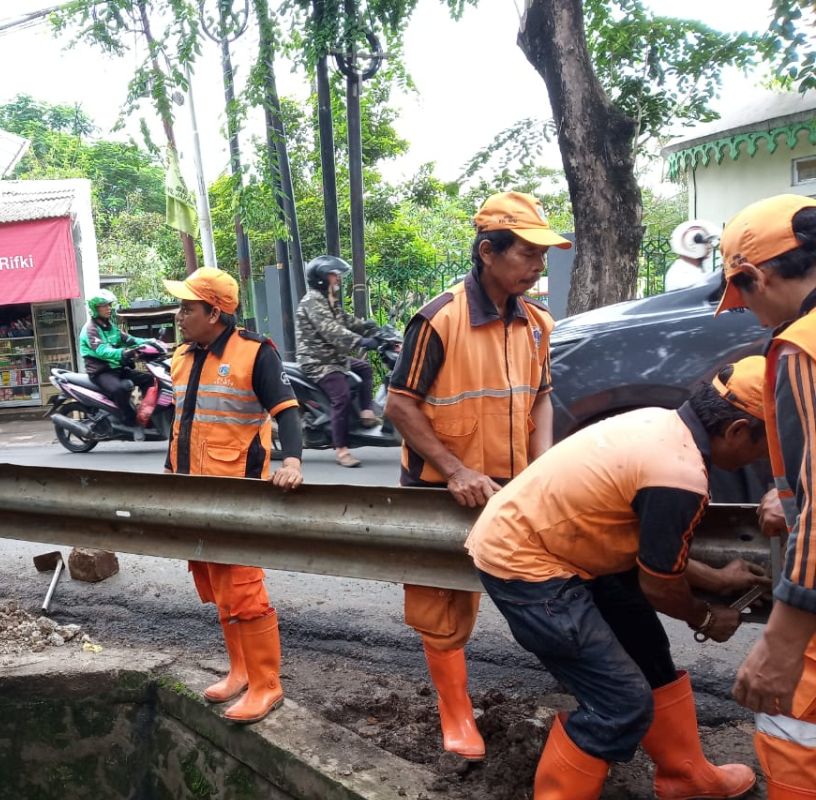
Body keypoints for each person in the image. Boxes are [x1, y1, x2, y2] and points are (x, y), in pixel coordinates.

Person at [465, 356, 770, 800]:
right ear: (738, 429)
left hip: (573, 552)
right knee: (621, 705)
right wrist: (705, 618)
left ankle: (684, 775)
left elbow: (653, 558)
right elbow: (660, 585)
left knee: (647, 648)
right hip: (527, 566)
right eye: (764, 444)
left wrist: (716, 579)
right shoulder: (679, 474)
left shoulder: (660, 423)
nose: (763, 458)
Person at [383, 191, 567, 760]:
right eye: (529, 254)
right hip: (442, 490)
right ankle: (456, 715)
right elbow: (399, 404)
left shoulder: (538, 322)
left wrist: (544, 470)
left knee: (549, 594)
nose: (539, 266)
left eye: (543, 254)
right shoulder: (439, 319)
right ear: (488, 251)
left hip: (512, 490)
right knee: (442, 610)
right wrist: (456, 469)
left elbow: (541, 399)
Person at [163, 267, 304, 724]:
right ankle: (240, 671)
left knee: (245, 591)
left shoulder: (255, 353)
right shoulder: (182, 357)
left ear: (215, 311)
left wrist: (293, 461)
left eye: (188, 307)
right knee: (217, 587)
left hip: (236, 496)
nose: (180, 314)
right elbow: (182, 428)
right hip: (191, 493)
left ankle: (267, 685)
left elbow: (288, 413)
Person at [714, 193, 816, 799]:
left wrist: (781, 642)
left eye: (744, 294)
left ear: (755, 274)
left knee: (793, 729)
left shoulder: (802, 347)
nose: (751, 314)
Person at [295, 255, 384, 468]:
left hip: (334, 358)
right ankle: (342, 450)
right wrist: (361, 341)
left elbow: (343, 319)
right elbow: (330, 330)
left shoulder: (327, 299)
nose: (338, 279)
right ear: (322, 278)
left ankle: (366, 413)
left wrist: (367, 326)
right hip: (317, 361)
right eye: (334, 275)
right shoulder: (312, 301)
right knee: (341, 396)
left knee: (364, 368)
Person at [79, 289, 155, 436]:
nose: (108, 308)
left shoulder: (110, 327)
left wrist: (150, 342)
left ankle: (147, 413)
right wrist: (123, 352)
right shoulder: (91, 329)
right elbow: (102, 350)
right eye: (104, 306)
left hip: (117, 368)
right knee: (119, 389)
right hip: (101, 371)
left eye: (109, 305)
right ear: (95, 309)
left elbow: (130, 340)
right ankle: (129, 421)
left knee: (150, 379)